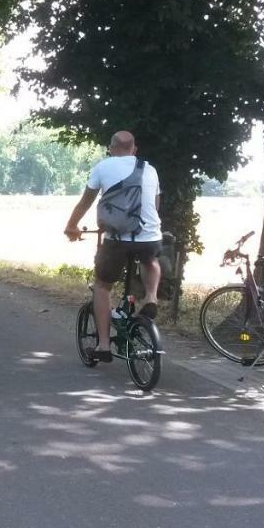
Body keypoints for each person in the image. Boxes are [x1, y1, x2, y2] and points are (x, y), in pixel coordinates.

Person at [63, 131, 162, 362]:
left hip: (117, 239)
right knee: (150, 260)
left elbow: (85, 202)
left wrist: (72, 225)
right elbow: (155, 206)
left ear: (111, 148)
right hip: (149, 236)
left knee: (102, 286)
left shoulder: (103, 167)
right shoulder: (150, 169)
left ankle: (104, 346)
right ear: (134, 149)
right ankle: (151, 298)